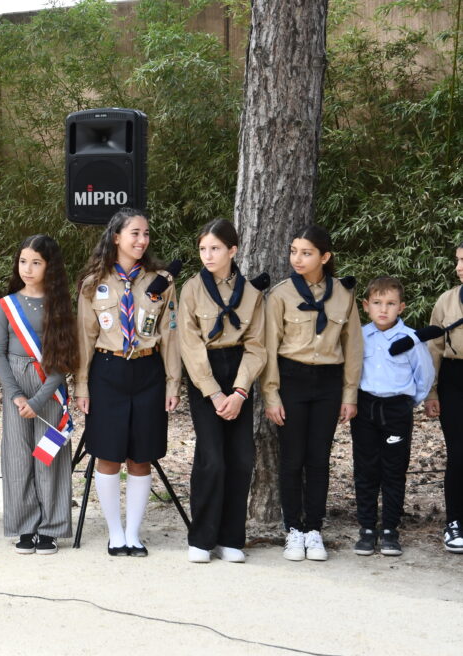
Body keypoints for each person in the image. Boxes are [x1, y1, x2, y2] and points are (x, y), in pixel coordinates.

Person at [76, 208, 181, 557]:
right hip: (108, 372)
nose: (142, 240)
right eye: (134, 233)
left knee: (141, 456)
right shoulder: (94, 282)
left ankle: (134, 533)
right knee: (107, 454)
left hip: (148, 372)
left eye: (146, 234)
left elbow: (170, 335)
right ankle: (115, 532)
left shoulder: (161, 281)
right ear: (116, 237)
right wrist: (82, 386)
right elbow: (84, 338)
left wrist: (171, 382)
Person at [262, 225, 361, 562]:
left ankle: (314, 529)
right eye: (293, 251)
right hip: (292, 378)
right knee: (292, 459)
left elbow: (353, 347)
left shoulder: (343, 295)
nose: (297, 258)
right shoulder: (281, 295)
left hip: (329, 382)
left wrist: (350, 395)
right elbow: (269, 348)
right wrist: (271, 395)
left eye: (306, 252)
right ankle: (293, 529)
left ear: (325, 257)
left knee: (318, 459)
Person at [178, 219, 266, 564]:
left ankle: (231, 538)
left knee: (241, 459)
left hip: (240, 372)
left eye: (215, 248)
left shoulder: (252, 294)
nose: (208, 255)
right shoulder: (192, 289)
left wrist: (241, 391)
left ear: (232, 250)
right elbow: (189, 344)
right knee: (212, 459)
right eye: (202, 249)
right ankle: (202, 537)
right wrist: (214, 393)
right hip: (205, 374)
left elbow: (257, 345)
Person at [0, 235, 78, 554]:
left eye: (36, 263)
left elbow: (62, 358)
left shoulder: (60, 305)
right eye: (23, 261)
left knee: (49, 456)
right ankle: (25, 526)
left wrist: (39, 399)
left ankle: (51, 527)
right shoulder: (7, 304)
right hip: (16, 385)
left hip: (49, 390)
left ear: (50, 266)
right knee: (17, 456)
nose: (27, 268)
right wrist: (15, 395)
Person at [351, 276, 433, 556]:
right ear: (366, 306)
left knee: (394, 470)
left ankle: (389, 530)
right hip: (365, 407)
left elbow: (424, 375)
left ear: (402, 307)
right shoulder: (359, 337)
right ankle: (366, 529)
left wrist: (410, 402)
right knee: (365, 468)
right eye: (377, 303)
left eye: (390, 303)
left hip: (396, 409)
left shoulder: (410, 339)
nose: (383, 309)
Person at [424, 243, 463, 553]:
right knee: (458, 453)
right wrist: (431, 391)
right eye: (458, 260)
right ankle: (455, 522)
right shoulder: (447, 301)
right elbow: (434, 348)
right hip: (455, 379)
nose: (459, 267)